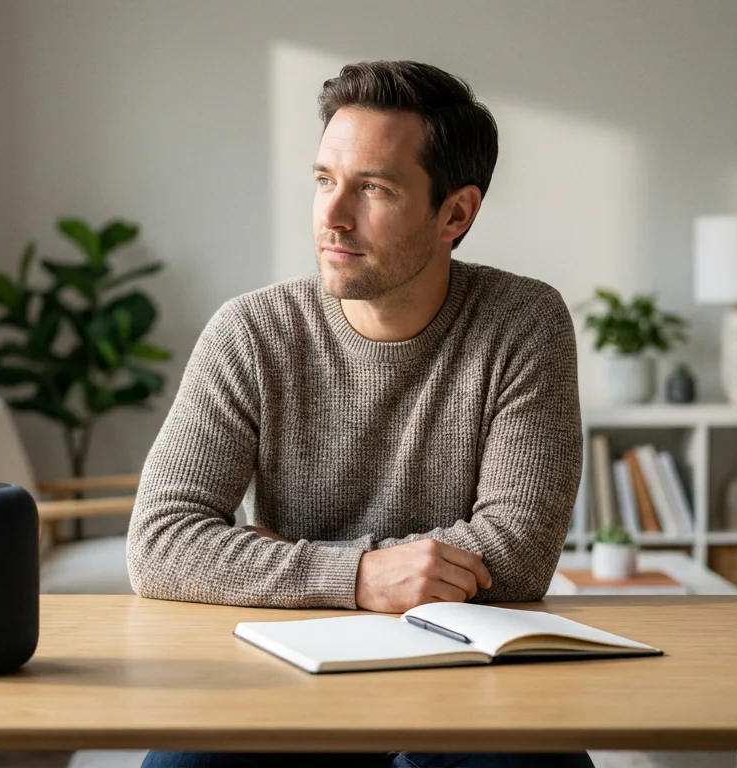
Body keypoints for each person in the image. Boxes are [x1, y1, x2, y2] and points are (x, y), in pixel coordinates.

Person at [127, 60, 588, 768]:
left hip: (465, 680)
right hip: (287, 671)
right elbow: (160, 542)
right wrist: (361, 575)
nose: (332, 215)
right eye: (323, 180)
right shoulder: (251, 331)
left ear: (456, 214)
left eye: (373, 188)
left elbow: (519, 554)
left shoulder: (522, 322)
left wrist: (271, 557)